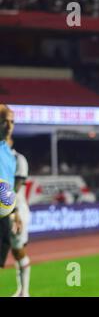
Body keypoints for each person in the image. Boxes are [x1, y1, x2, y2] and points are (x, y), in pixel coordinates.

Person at [7, 137, 31, 297]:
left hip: (15, 212)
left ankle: (23, 292)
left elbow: (13, 190)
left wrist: (14, 212)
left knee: (18, 252)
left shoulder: (17, 159)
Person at [0, 104, 16, 269]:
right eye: (5, 121)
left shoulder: (9, 154)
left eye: (12, 122)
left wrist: (15, 212)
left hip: (4, 216)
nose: (10, 126)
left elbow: (10, 187)